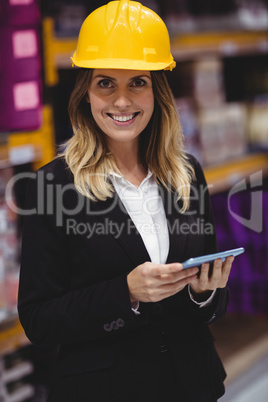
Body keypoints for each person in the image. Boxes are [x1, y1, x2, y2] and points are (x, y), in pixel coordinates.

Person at [18, 1, 234, 401]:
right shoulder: (53, 184)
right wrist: (127, 293)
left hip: (193, 382)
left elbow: (210, 300)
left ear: (157, 92)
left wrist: (204, 294)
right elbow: (38, 319)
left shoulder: (186, 173)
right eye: (105, 83)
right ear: (85, 92)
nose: (122, 101)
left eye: (137, 82)